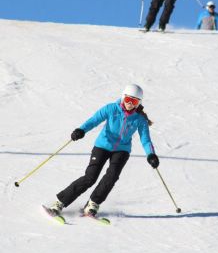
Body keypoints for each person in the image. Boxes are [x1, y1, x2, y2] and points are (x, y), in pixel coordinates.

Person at [48, 84, 159, 217]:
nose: (130, 104)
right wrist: (81, 130)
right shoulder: (111, 108)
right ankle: (60, 202)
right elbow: (94, 120)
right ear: (123, 97)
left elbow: (145, 140)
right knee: (90, 177)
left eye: (134, 101)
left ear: (138, 103)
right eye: (128, 99)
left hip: (122, 150)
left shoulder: (140, 119)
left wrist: (151, 155)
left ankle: (93, 203)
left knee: (112, 176)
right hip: (102, 146)